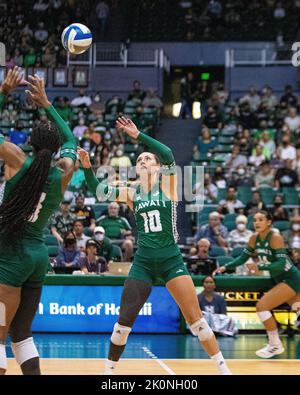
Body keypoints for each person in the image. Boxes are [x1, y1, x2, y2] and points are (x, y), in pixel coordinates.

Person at [78, 115, 231, 375]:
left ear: (158, 168)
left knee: (198, 324)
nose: (143, 160)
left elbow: (168, 152)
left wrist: (138, 136)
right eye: (139, 160)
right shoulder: (130, 192)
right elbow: (97, 190)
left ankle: (223, 369)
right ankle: (109, 370)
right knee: (122, 325)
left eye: (148, 158)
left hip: (172, 260)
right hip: (144, 262)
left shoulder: (168, 185)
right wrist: (86, 166)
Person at [0, 69, 77, 375]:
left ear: (29, 141)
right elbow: (71, 137)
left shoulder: (16, 159)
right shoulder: (63, 173)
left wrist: (4, 93)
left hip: (10, 254)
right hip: (37, 256)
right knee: (22, 335)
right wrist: (46, 102)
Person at [214, 210, 300, 358]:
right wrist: (225, 266)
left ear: (269, 222)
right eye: (255, 220)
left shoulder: (275, 237)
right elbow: (242, 258)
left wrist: (259, 267)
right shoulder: (253, 238)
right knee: (297, 309)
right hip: (279, 279)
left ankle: (275, 345)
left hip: (290, 278)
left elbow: (281, 264)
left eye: (261, 219)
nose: (257, 222)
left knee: (262, 306)